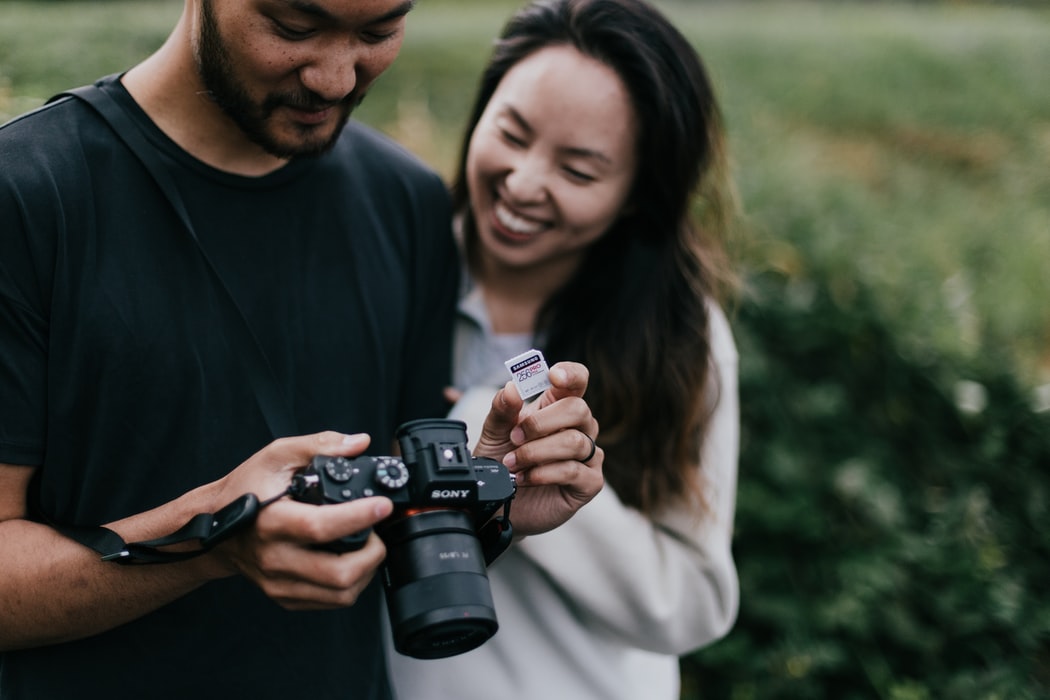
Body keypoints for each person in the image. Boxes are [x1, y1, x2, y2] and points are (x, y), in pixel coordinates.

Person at [0, 1, 604, 698]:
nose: (336, 78)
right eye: (294, 29)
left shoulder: (405, 202)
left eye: (378, 33)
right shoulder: (27, 198)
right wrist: (211, 540)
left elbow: (388, 512)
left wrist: (481, 498)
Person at [387, 0, 740, 698]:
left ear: (638, 196)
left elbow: (697, 603)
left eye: (578, 172)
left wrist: (545, 478)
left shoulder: (678, 337)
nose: (522, 183)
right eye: (512, 133)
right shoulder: (392, 269)